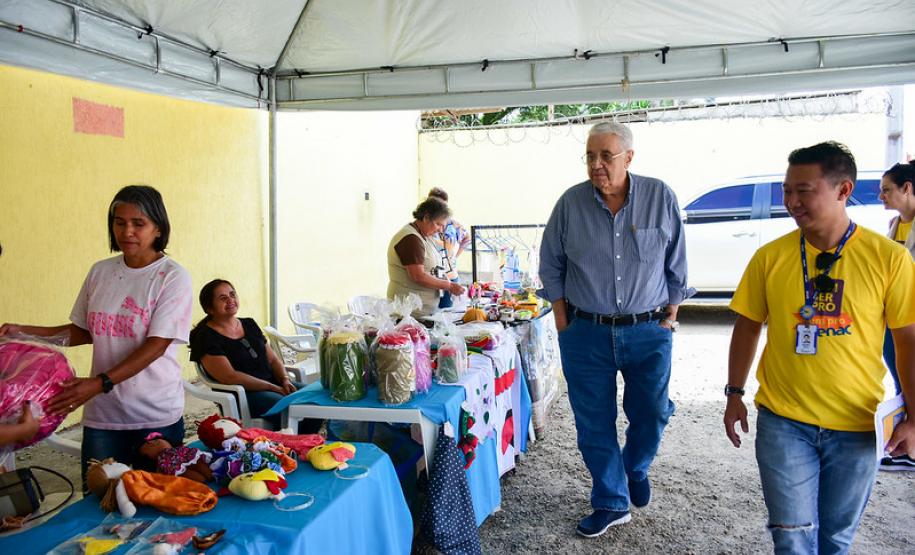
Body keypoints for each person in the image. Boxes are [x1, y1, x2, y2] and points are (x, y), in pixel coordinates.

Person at [724, 142, 915, 553]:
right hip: (783, 422)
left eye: (803, 190)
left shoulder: (890, 259)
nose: (791, 201)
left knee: (835, 538)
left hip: (858, 424)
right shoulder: (769, 258)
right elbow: (747, 325)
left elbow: (908, 343)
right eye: (786, 190)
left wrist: (913, 418)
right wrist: (734, 393)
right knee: (791, 536)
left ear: (843, 190)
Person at [539, 121, 691, 538]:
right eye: (590, 156)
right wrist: (562, 319)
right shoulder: (570, 204)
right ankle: (610, 499)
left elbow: (676, 261)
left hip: (649, 330)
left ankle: (635, 467)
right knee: (593, 422)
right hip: (586, 332)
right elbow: (550, 262)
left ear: (629, 157)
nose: (597, 164)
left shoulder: (660, 196)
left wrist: (671, 315)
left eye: (606, 155)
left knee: (653, 411)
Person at [0, 185, 193, 482]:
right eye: (119, 222)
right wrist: (23, 333)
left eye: (138, 224)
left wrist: (100, 383)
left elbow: (156, 345)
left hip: (153, 414)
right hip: (103, 416)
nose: (127, 231)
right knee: (98, 506)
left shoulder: (172, 277)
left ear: (158, 228)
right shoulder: (100, 272)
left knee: (157, 502)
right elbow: (83, 331)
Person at [189, 279, 307, 430]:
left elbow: (272, 359)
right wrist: (272, 388)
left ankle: (307, 443)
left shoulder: (249, 324)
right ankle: (289, 444)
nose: (230, 300)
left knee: (313, 398)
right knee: (290, 406)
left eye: (232, 295)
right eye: (223, 298)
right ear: (209, 308)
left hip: (273, 384)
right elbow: (229, 377)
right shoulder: (205, 337)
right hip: (244, 394)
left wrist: (284, 379)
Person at [877, 160, 915, 471]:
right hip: (894, 317)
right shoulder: (895, 227)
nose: (881, 197)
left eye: (887, 190)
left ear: (907, 188)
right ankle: (904, 444)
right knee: (901, 380)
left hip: (910, 318)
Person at [387, 197, 466, 316]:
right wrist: (448, 286)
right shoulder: (411, 239)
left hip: (424, 310)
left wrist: (448, 281)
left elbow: (434, 267)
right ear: (426, 218)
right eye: (438, 224)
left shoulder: (425, 236)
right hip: (409, 314)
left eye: (442, 226)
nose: (440, 230)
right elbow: (418, 276)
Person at [426, 187, 471, 309]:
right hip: (431, 277)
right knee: (431, 313)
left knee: (448, 311)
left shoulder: (454, 224)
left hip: (451, 275)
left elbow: (467, 239)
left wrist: (455, 256)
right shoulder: (426, 224)